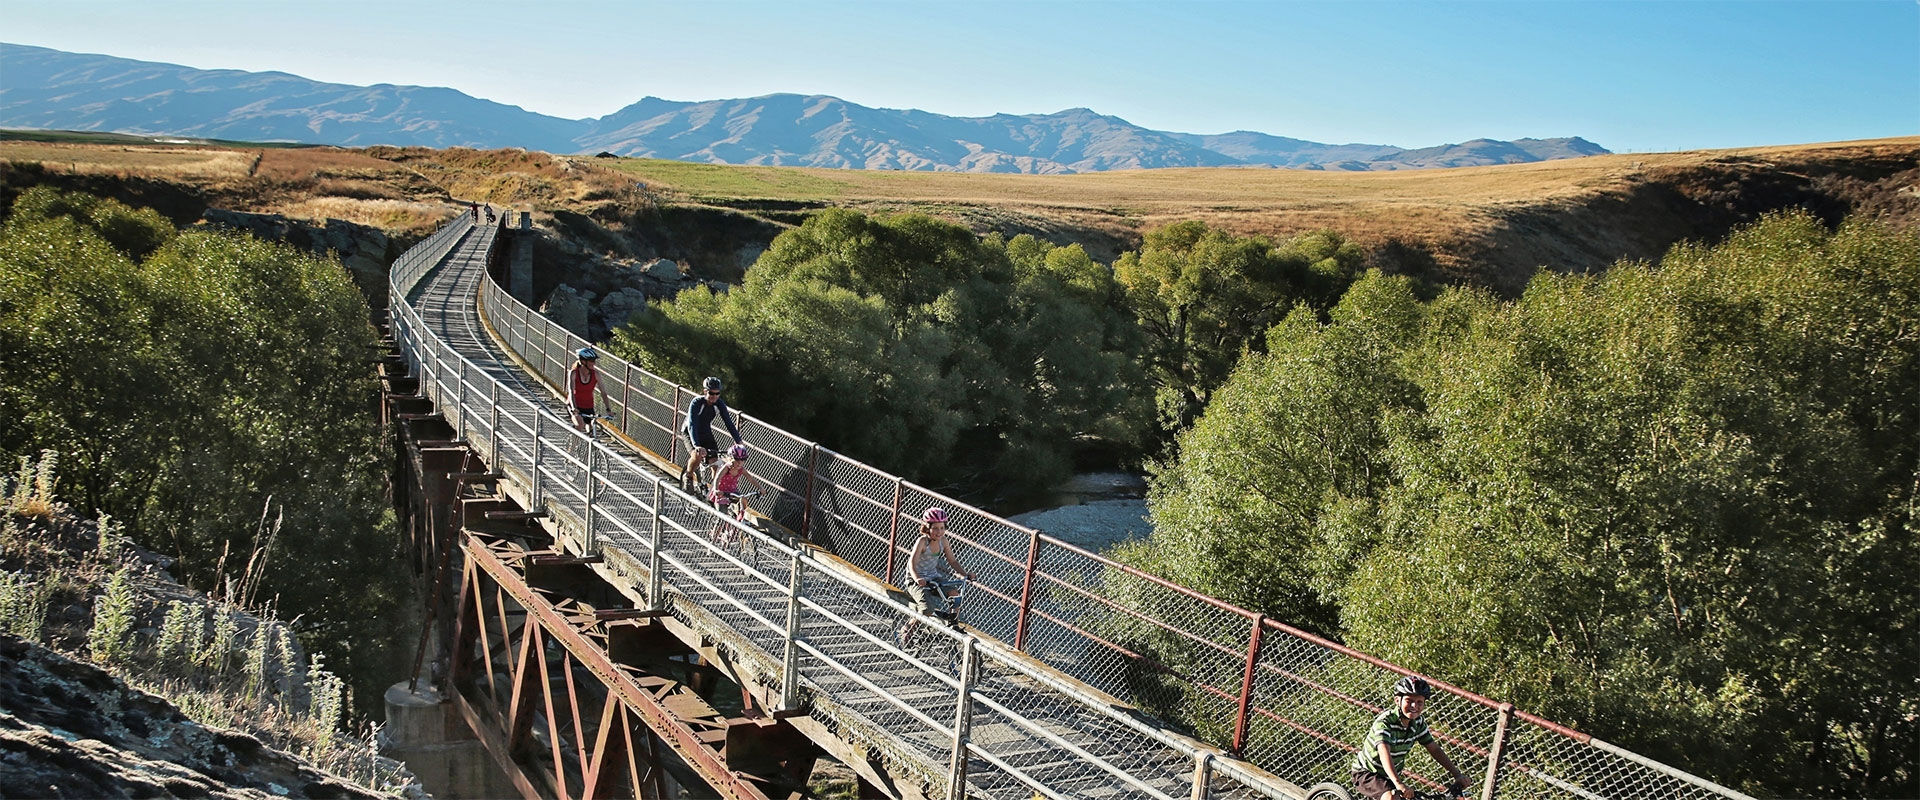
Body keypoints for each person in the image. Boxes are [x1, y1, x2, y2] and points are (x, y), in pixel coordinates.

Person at [1350, 676, 1469, 800]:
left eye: (1419, 702)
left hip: (1389, 776)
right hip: (1367, 773)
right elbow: (1384, 754)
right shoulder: (1385, 723)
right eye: (1409, 701)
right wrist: (1399, 783)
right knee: (1391, 797)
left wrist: (1457, 775)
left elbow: (1434, 749)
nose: (1414, 706)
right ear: (1397, 700)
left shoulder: (1418, 722)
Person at [906, 507, 974, 625]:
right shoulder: (922, 542)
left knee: (955, 595)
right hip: (916, 580)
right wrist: (917, 578)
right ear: (927, 528)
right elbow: (912, 563)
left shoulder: (943, 541)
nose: (939, 532)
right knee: (927, 609)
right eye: (935, 528)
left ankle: (952, 624)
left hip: (933, 578)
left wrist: (965, 574)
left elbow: (953, 561)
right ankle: (907, 630)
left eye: (942, 528)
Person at [683, 376, 742, 491]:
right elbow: (692, 425)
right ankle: (688, 476)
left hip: (705, 432)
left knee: (716, 464)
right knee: (697, 455)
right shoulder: (696, 403)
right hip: (690, 432)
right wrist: (696, 445)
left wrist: (738, 441)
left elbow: (729, 424)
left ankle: (715, 490)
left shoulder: (719, 404)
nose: (714, 396)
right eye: (711, 393)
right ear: (705, 391)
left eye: (717, 393)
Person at [706, 444, 766, 544]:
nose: (739, 463)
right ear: (730, 458)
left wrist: (760, 488)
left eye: (742, 460)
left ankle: (738, 519)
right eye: (737, 459)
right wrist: (716, 490)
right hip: (722, 492)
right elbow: (718, 478)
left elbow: (750, 478)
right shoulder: (727, 467)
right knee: (722, 516)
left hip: (733, 491)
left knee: (743, 499)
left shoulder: (741, 469)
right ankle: (712, 542)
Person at [568, 347, 602, 433]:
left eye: (594, 361)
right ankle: (572, 446)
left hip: (588, 405)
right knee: (580, 425)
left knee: (592, 426)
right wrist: (573, 407)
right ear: (583, 361)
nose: (593, 363)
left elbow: (603, 392)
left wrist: (609, 409)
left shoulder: (595, 374)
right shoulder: (573, 373)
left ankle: (588, 444)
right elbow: (571, 391)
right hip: (575, 404)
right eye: (591, 361)